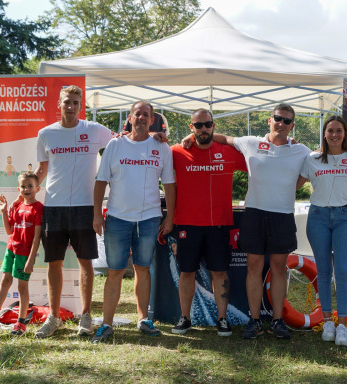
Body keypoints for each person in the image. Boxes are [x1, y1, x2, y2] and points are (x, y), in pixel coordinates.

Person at [183, 104, 311, 339]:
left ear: (292, 126)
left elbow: (317, 164)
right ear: (269, 121)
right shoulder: (250, 142)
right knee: (253, 267)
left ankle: (277, 321)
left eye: (287, 120)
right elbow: (221, 137)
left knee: (279, 268)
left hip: (281, 215)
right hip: (254, 212)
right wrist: (191, 135)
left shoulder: (302, 150)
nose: (281, 124)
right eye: (277, 119)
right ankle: (254, 321)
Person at [91, 100, 176, 343]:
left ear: (151, 120)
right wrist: (97, 214)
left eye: (146, 115)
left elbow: (169, 184)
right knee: (115, 271)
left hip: (149, 219)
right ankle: (106, 324)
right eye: (137, 114)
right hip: (118, 218)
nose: (141, 118)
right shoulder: (115, 145)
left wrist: (170, 216)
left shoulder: (162, 147)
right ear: (129, 118)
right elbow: (100, 182)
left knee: (142, 268)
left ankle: (143, 319)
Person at [34, 85, 114, 338]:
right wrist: (24, 195)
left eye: (75, 103)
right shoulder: (46, 134)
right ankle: (54, 317)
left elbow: (124, 139)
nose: (71, 106)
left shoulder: (94, 130)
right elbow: (42, 169)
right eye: (67, 102)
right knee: (53, 263)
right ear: (59, 104)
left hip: (85, 206)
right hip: (54, 206)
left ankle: (86, 317)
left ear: (82, 107)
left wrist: (156, 136)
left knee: (85, 262)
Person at [170, 108, 247, 336]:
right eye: (198, 125)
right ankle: (185, 318)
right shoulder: (176, 152)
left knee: (220, 273)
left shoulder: (228, 152)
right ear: (191, 128)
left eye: (207, 124)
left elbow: (260, 159)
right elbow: (153, 155)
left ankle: (222, 320)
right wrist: (157, 137)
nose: (204, 129)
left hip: (219, 224)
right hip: (187, 223)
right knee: (186, 272)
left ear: (213, 126)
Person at [297, 116, 347, 346]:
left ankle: (342, 325)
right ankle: (327, 321)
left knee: (344, 272)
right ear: (324, 134)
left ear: (345, 134)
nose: (335, 134)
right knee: (324, 272)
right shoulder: (312, 158)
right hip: (317, 218)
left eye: (339, 130)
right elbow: (294, 183)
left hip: (344, 218)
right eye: (330, 131)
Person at [0, 172, 43, 336]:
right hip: (11, 249)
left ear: (37, 188)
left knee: (22, 286)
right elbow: (9, 231)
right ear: (18, 189)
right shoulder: (16, 206)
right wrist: (4, 211)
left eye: (30, 186)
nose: (26, 189)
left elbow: (37, 238)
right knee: (5, 280)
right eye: (23, 186)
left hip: (25, 254)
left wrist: (30, 260)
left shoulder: (39, 208)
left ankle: (21, 323)